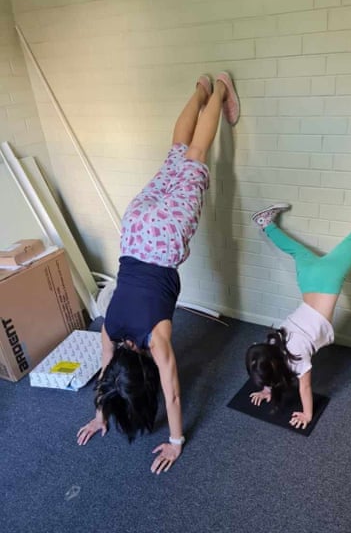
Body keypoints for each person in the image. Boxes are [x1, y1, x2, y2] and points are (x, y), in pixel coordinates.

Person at [77, 72, 240, 474]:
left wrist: (176, 441)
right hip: (134, 230)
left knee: (196, 152)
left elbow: (174, 396)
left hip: (165, 238)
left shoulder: (159, 339)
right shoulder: (109, 326)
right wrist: (100, 413)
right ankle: (200, 89)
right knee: (176, 153)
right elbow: (105, 376)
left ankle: (220, 88)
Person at [245, 170, 351, 430]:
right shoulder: (272, 341)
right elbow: (267, 361)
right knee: (295, 250)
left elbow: (306, 386)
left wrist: (307, 415)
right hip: (309, 279)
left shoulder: (297, 357)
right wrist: (267, 389)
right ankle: (266, 224)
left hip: (328, 279)